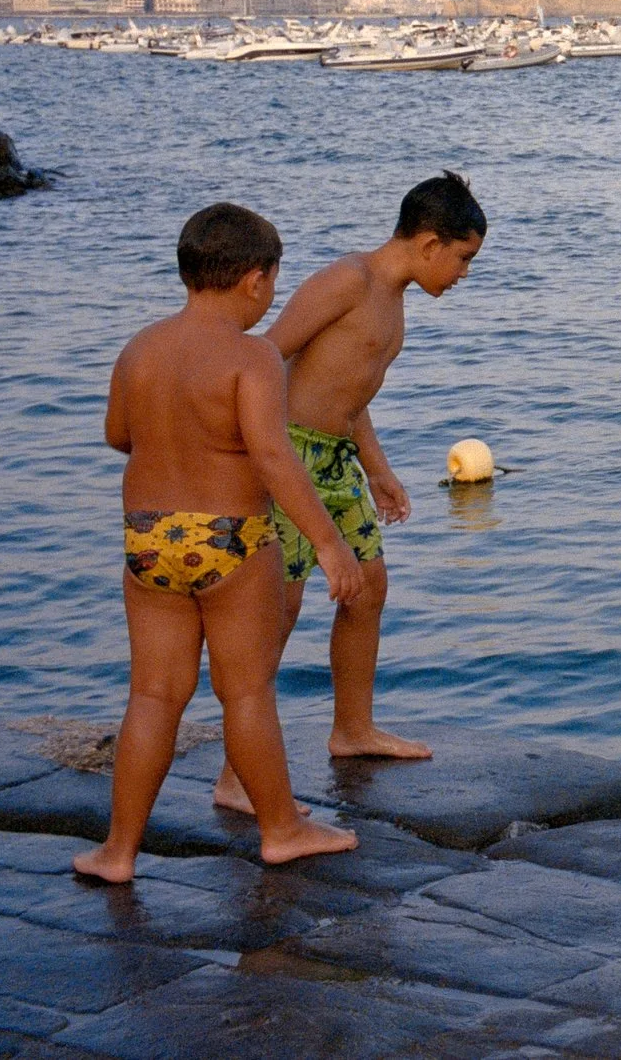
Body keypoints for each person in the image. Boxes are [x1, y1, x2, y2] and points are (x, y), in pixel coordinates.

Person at [73, 203, 365, 883]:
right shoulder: (253, 355)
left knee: (152, 694)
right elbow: (271, 456)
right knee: (245, 691)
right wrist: (329, 542)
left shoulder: (139, 348)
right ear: (256, 281)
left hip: (149, 540)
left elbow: (119, 433)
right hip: (232, 539)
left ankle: (118, 851)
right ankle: (282, 827)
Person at [213, 172, 485, 813]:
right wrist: (252, 452)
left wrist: (379, 468)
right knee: (277, 610)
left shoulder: (393, 301)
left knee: (368, 588)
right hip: (290, 454)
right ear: (428, 243)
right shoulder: (348, 281)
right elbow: (267, 355)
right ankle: (234, 775)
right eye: (463, 258)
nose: (464, 274)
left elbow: (348, 394)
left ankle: (352, 729)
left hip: (336, 461)